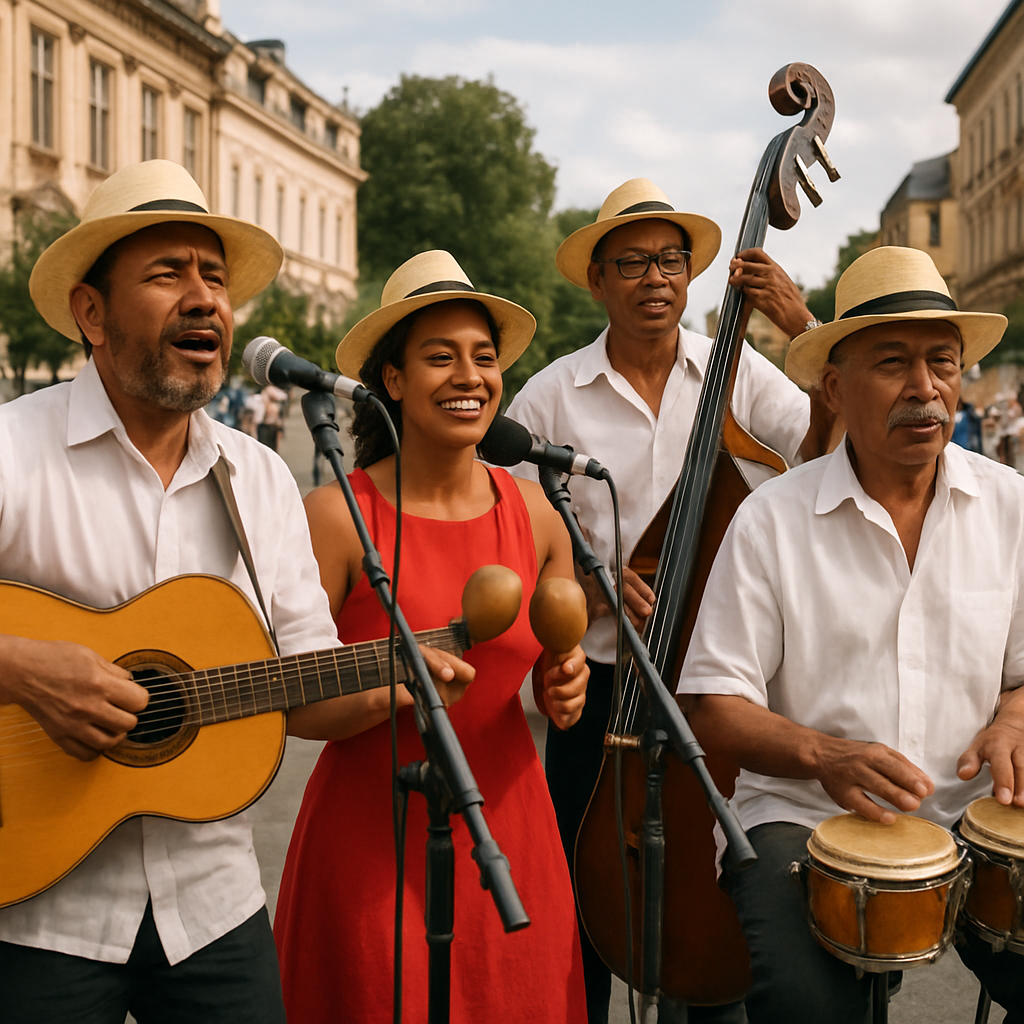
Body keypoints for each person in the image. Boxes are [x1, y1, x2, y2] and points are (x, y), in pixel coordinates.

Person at [0, 162, 471, 1024]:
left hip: (212, 906)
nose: (204, 298)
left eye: (214, 277)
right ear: (90, 311)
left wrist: (393, 684)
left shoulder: (256, 475)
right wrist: (22, 666)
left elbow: (301, 684)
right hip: (36, 915)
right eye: (167, 273)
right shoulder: (12, 449)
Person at [505, 177, 835, 1023]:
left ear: (691, 277)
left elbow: (831, 452)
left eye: (671, 261)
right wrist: (590, 587)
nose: (656, 278)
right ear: (599, 281)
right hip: (605, 690)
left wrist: (804, 330)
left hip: (714, 685)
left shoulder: (738, 370)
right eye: (633, 263)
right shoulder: (550, 397)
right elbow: (509, 543)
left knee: (708, 896)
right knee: (582, 898)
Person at [679, 246, 1024, 1023]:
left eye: (943, 361)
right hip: (804, 817)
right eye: (893, 363)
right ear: (834, 387)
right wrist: (823, 755)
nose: (925, 388)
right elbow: (714, 704)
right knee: (805, 1004)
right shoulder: (770, 518)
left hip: (978, 814)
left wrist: (1013, 719)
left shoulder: (1012, 506)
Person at [273, 251, 589, 1023]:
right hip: (369, 840)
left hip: (511, 834)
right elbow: (297, 708)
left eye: (484, 359)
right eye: (440, 357)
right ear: (391, 380)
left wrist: (565, 681)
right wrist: (397, 691)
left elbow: (554, 667)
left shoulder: (539, 514)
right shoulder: (334, 517)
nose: (469, 377)